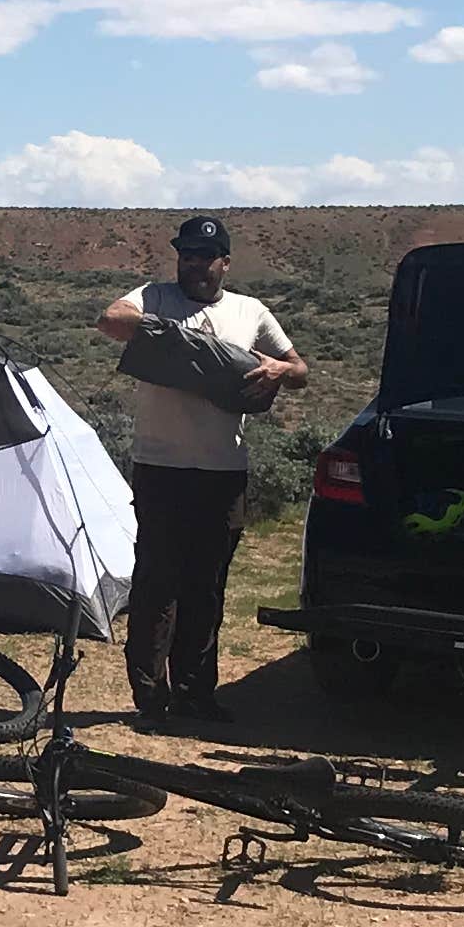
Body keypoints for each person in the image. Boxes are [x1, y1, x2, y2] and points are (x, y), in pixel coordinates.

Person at [96, 215, 307, 722]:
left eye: (204, 257)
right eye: (186, 255)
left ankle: (197, 692)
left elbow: (300, 371)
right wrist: (176, 344)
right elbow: (110, 321)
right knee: (156, 583)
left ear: (224, 263)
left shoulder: (249, 310)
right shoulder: (157, 297)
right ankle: (150, 697)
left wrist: (279, 368)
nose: (193, 265)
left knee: (207, 584)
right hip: (161, 466)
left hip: (222, 471)